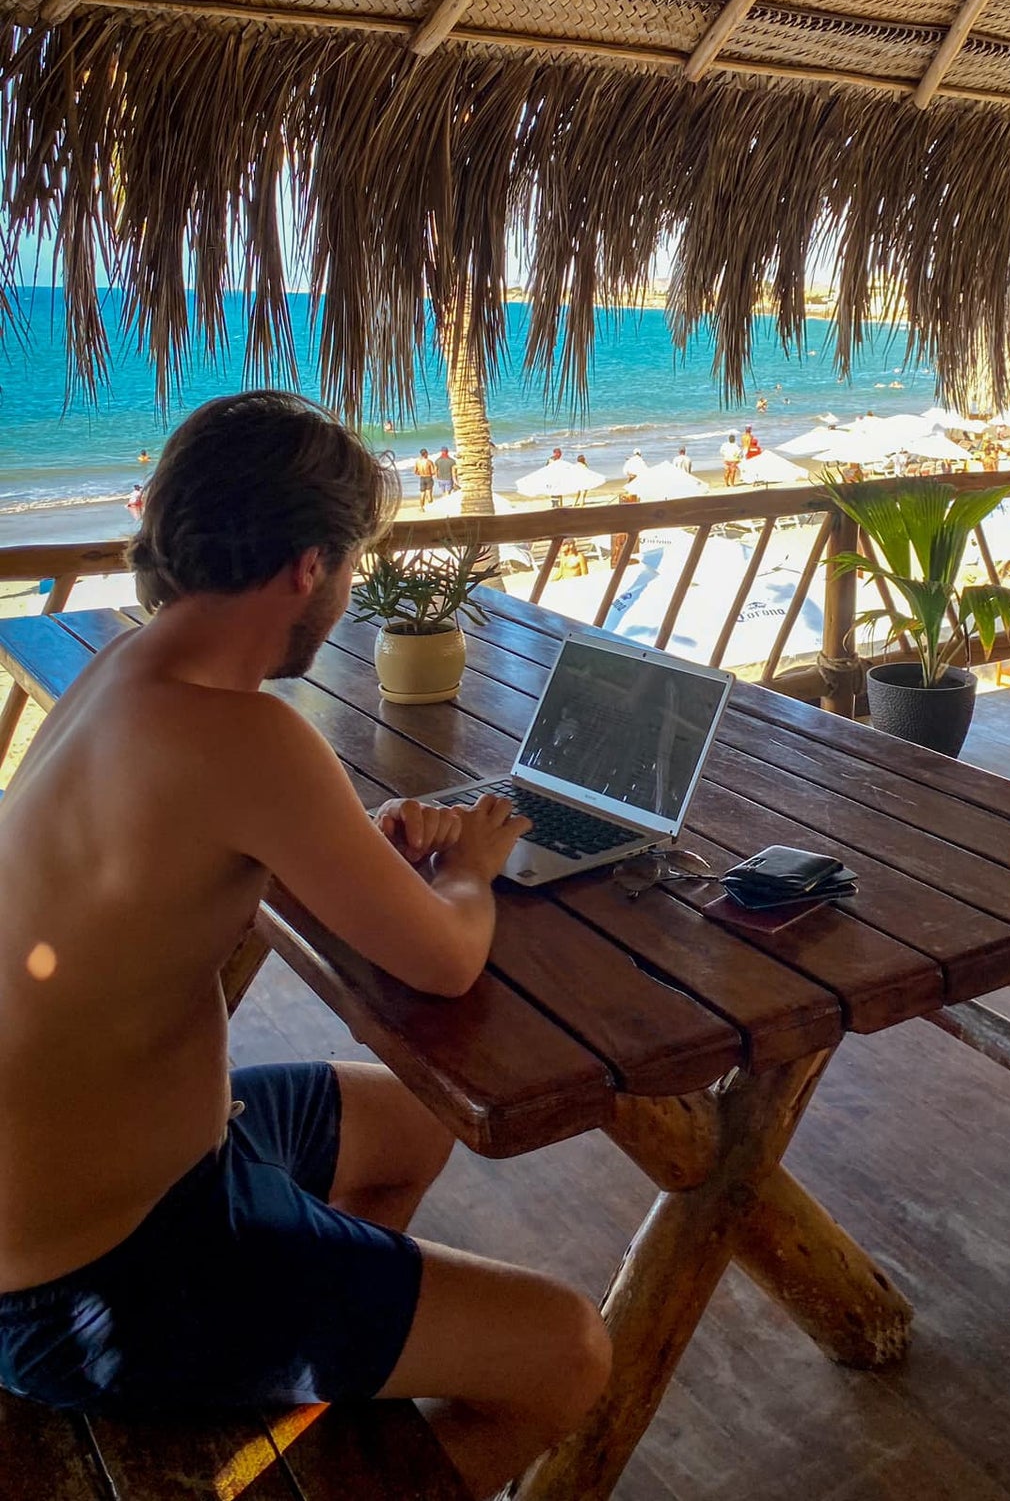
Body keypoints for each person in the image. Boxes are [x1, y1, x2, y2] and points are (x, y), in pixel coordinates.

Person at [0, 392, 609, 1493]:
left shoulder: (119, 673)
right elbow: (446, 960)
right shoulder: (249, 734)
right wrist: (469, 867)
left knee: (408, 1124)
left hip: (107, 1188)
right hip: (94, 1281)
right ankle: (293, 1368)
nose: (347, 590)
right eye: (350, 564)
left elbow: (197, 849)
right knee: (565, 1351)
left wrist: (361, 849)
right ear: (308, 565)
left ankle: (316, 1370)